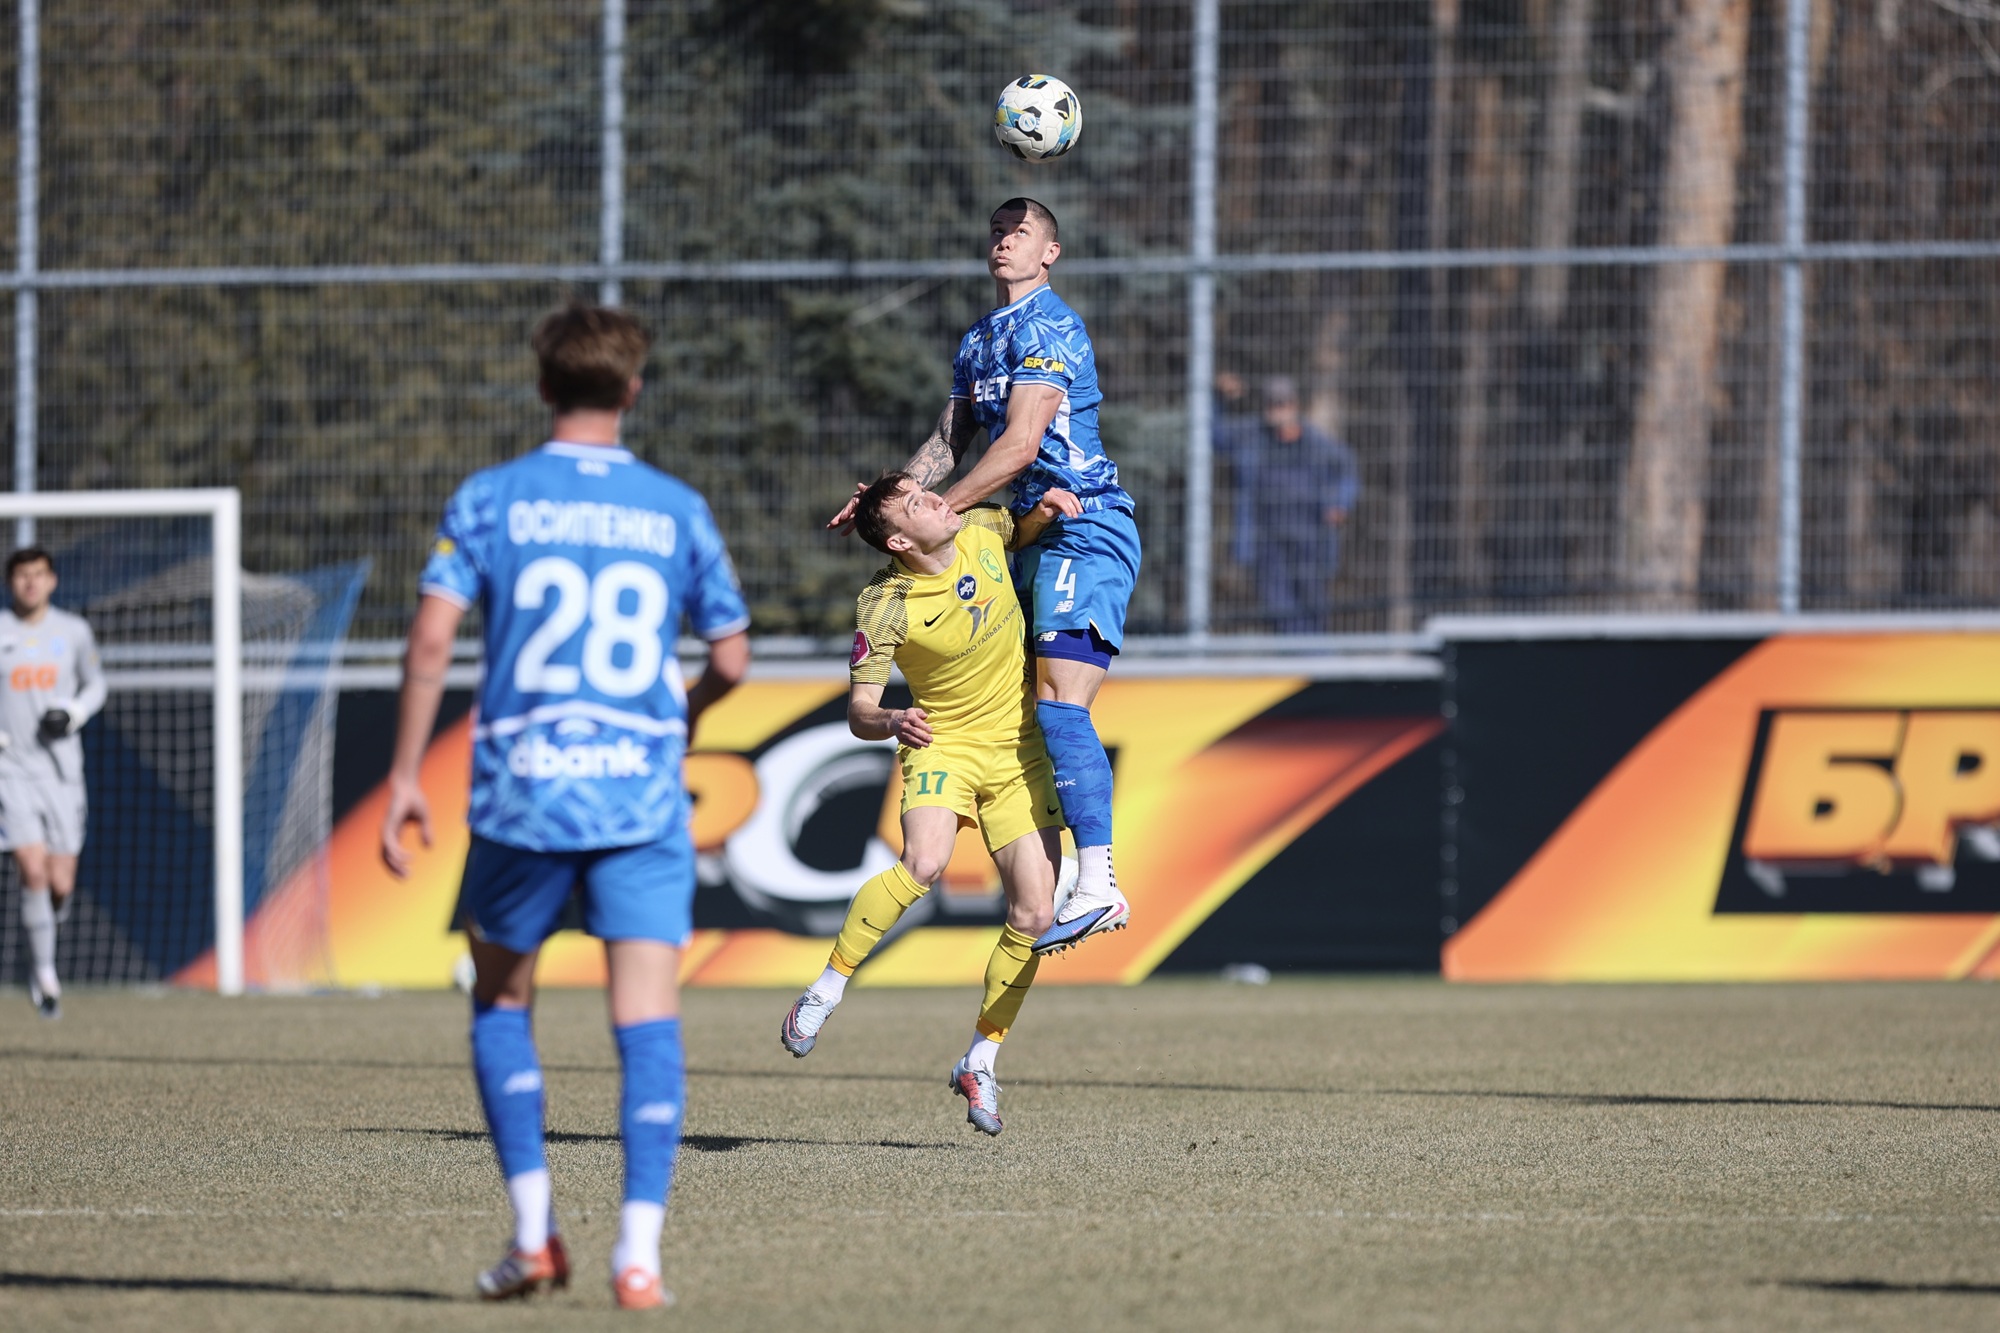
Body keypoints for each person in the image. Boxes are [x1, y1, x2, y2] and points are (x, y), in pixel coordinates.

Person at [379, 301, 750, 1309]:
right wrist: (676, 719)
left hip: (523, 794)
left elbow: (427, 645)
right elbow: (730, 657)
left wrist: (407, 773)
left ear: (543, 387)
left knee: (501, 999)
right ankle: (640, 1257)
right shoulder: (674, 507)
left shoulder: (492, 497)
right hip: (636, 791)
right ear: (632, 391)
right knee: (646, 1018)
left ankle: (535, 1233)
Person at [828, 197, 1138, 958]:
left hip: (1082, 524)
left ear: (1051, 252)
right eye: (998, 231)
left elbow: (1022, 445)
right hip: (1029, 537)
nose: (1005, 241)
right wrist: (884, 500)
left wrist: (940, 509)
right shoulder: (980, 341)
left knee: (1060, 706)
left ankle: (1099, 883)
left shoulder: (1048, 326)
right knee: (1033, 715)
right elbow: (948, 438)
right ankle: (1060, 892)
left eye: (1021, 232)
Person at [785, 472, 1079, 1136]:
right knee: (924, 861)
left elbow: (1023, 526)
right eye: (918, 502)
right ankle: (825, 990)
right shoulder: (884, 602)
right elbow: (860, 710)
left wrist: (1045, 510)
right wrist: (891, 720)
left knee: (1036, 910)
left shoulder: (979, 527)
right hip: (941, 743)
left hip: (1018, 751)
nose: (938, 500)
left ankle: (981, 1057)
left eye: (929, 490)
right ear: (897, 539)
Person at [0, 547, 106, 1021]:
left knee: (59, 882)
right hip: (10, 771)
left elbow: (96, 684)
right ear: (11, 583)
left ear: (53, 581)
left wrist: (76, 712)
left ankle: (43, 939)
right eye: (22, 576)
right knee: (33, 869)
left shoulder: (73, 632)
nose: (30, 584)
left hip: (62, 773)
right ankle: (44, 974)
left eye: (38, 575)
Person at [1215, 375, 1359, 634]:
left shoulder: (1317, 443)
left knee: (1313, 605)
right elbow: (1213, 435)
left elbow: (1347, 470)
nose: (1277, 411)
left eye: (1282, 404)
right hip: (1267, 542)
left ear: (1294, 405)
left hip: (1311, 540)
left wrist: (1340, 503)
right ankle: (1293, 660)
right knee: (1278, 608)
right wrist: (1217, 398)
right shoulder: (1251, 436)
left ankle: (1315, 663)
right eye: (1271, 404)